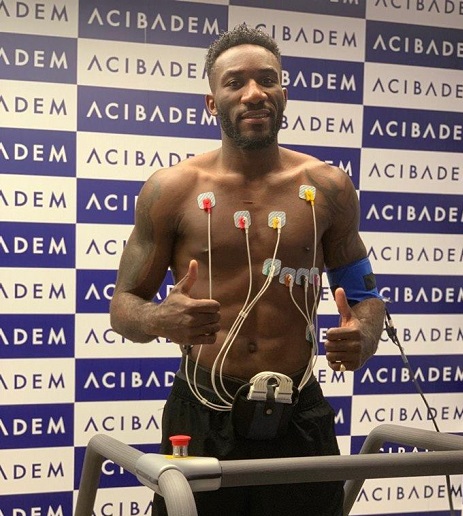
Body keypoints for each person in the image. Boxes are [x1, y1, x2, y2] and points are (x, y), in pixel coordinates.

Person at [110, 24, 385, 516]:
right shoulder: (171, 190)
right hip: (202, 413)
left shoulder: (329, 188)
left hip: (299, 412)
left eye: (268, 80)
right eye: (235, 82)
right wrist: (157, 319)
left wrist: (364, 334)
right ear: (212, 103)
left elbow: (365, 297)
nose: (254, 93)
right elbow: (122, 307)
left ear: (284, 94)